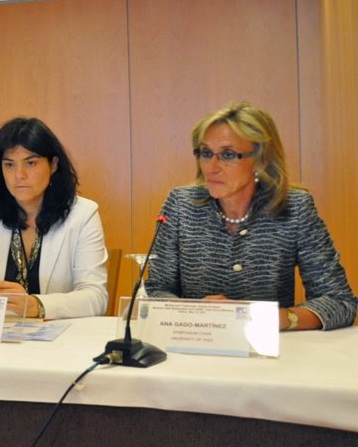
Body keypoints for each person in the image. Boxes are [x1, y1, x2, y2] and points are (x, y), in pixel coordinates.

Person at [145, 102, 356, 331]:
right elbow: (156, 291)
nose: (212, 167)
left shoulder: (295, 208)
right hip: (195, 343)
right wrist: (197, 316)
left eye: (227, 155)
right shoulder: (180, 205)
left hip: (271, 347)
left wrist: (271, 318)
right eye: (205, 153)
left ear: (261, 160)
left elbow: (340, 302)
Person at [0, 117, 108, 319]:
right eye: (9, 165)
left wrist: (38, 305)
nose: (19, 175)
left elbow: (96, 297)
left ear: (53, 164)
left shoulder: (83, 214)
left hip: (60, 334)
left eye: (31, 163)